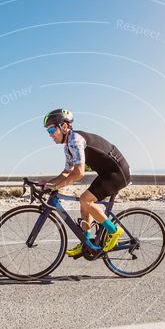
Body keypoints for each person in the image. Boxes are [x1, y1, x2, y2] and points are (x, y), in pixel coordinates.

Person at [40, 108, 131, 257]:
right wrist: (49, 183)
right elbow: (67, 172)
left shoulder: (75, 140)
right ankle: (87, 242)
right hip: (107, 173)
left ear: (64, 126)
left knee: (85, 200)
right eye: (47, 130)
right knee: (85, 201)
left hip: (118, 173)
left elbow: (79, 172)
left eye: (51, 129)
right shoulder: (68, 146)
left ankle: (114, 231)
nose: (49, 134)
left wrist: (57, 186)